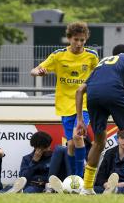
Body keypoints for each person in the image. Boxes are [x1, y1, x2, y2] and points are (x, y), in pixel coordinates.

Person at [75, 44, 124, 195]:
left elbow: (79, 90)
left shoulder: (100, 65)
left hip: (93, 96)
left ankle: (87, 187)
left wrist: (80, 120)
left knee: (99, 142)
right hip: (113, 91)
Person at [30, 22, 98, 178]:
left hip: (85, 104)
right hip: (65, 105)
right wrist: (39, 72)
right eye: (76, 40)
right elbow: (34, 70)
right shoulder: (58, 55)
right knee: (71, 145)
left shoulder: (92, 56)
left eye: (82, 40)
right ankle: (74, 178)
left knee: (77, 136)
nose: (79, 43)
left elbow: (97, 75)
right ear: (69, 38)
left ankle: (80, 178)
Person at [94, 128, 124, 194]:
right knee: (93, 189)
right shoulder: (109, 153)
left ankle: (114, 191)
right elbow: (100, 177)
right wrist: (105, 184)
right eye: (122, 138)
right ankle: (111, 191)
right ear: (117, 139)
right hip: (108, 186)